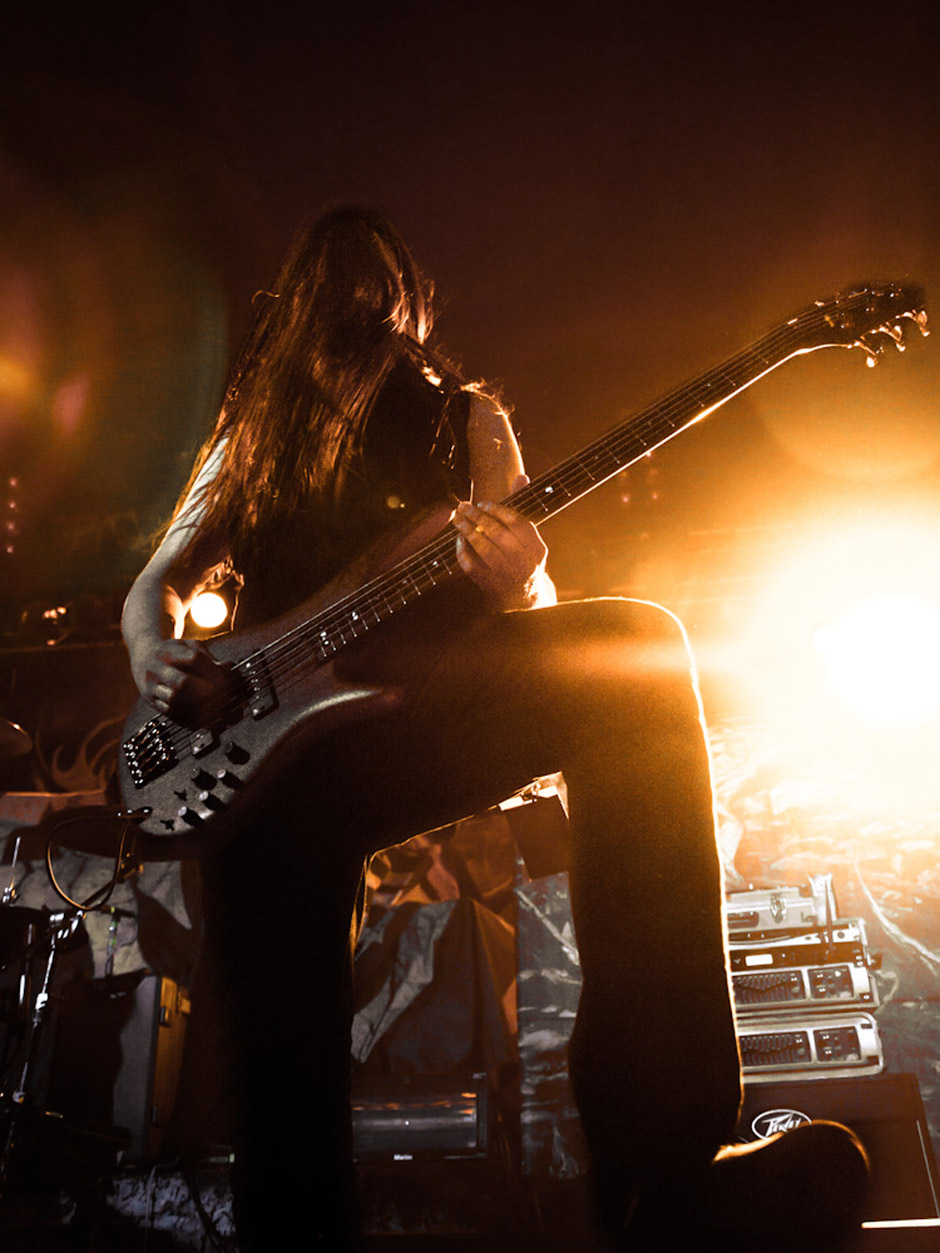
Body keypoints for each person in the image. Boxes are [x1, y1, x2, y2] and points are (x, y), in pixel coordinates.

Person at [121, 208, 867, 1251]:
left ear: (414, 307)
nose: (360, 306)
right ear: (296, 310)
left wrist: (525, 575)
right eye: (335, 288)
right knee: (275, 1048)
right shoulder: (255, 432)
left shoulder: (466, 418)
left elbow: (526, 592)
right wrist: (153, 652)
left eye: (380, 287)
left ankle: (669, 1164)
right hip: (264, 760)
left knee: (631, 659)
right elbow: (156, 582)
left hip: (421, 710)